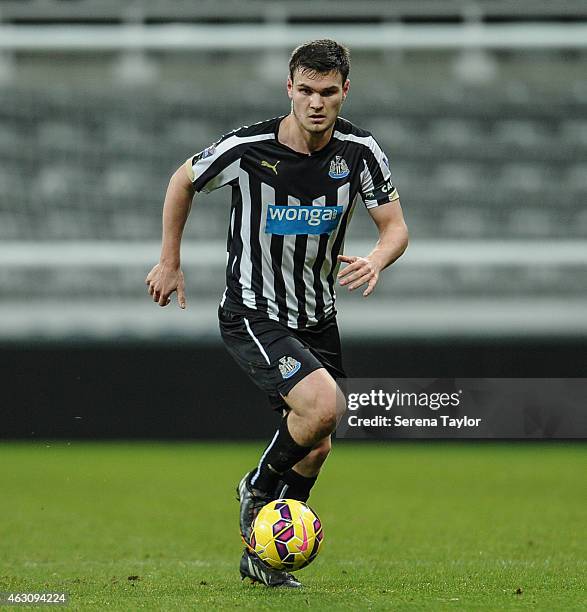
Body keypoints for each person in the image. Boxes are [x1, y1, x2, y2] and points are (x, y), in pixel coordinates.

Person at [145, 39, 408, 588]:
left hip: (317, 315)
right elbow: (182, 181)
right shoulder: (249, 148)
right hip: (253, 310)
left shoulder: (360, 151)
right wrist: (170, 260)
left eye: (328, 92)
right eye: (306, 90)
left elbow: (395, 227)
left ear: (345, 92)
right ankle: (258, 489)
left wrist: (379, 258)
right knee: (321, 405)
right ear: (289, 88)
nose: (316, 102)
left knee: (318, 443)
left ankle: (261, 557)